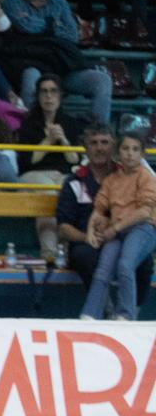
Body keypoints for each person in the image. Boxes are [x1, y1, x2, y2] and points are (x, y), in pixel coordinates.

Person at [5, 0, 113, 123]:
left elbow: (72, 35)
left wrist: (41, 27)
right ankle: (32, 129)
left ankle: (97, 131)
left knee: (102, 80)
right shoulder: (11, 1)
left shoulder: (60, 3)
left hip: (62, 65)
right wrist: (54, 25)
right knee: (31, 78)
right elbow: (25, 27)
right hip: (31, 62)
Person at [56, 124, 148, 297]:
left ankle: (132, 315)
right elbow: (63, 227)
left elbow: (143, 213)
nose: (99, 148)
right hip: (87, 243)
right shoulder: (73, 182)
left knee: (145, 261)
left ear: (113, 146)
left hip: (123, 239)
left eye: (105, 142)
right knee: (83, 256)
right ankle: (104, 308)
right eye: (94, 143)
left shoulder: (133, 178)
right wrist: (88, 238)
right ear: (85, 148)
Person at [80, 127, 156, 320]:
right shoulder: (112, 180)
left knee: (125, 264)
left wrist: (114, 228)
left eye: (135, 149)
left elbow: (145, 212)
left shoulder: (147, 177)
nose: (130, 154)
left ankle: (126, 314)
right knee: (103, 269)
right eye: (125, 149)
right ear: (118, 153)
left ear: (142, 153)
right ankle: (90, 313)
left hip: (142, 229)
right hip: (118, 230)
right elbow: (99, 208)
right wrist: (90, 230)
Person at [16, 73, 84, 257]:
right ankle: (49, 253)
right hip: (32, 175)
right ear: (38, 96)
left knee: (68, 191)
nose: (49, 96)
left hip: (61, 175)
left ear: (60, 96)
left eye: (53, 91)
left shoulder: (70, 123)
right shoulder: (28, 124)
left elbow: (74, 160)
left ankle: (67, 252)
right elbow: (28, 161)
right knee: (48, 192)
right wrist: (48, 140)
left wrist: (62, 140)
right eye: (44, 92)